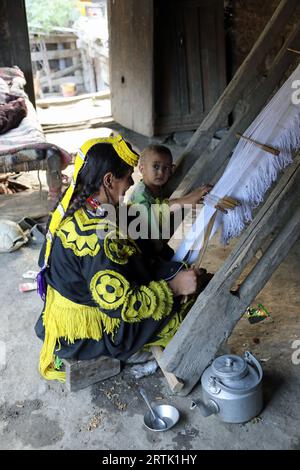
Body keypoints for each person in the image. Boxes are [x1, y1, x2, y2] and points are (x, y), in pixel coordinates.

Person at [35, 135, 201, 383]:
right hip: (90, 332)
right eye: (127, 176)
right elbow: (124, 306)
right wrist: (175, 288)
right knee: (185, 303)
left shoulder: (85, 207)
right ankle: (132, 351)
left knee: (169, 266)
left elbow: (136, 220)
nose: (133, 182)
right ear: (108, 180)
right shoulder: (99, 240)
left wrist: (182, 204)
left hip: (75, 307)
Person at [128, 144, 212, 259]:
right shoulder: (140, 193)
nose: (161, 172)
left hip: (156, 245)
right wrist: (184, 201)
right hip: (140, 249)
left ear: (172, 170)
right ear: (142, 169)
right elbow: (150, 216)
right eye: (156, 166)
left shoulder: (158, 188)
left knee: (177, 260)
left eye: (166, 168)